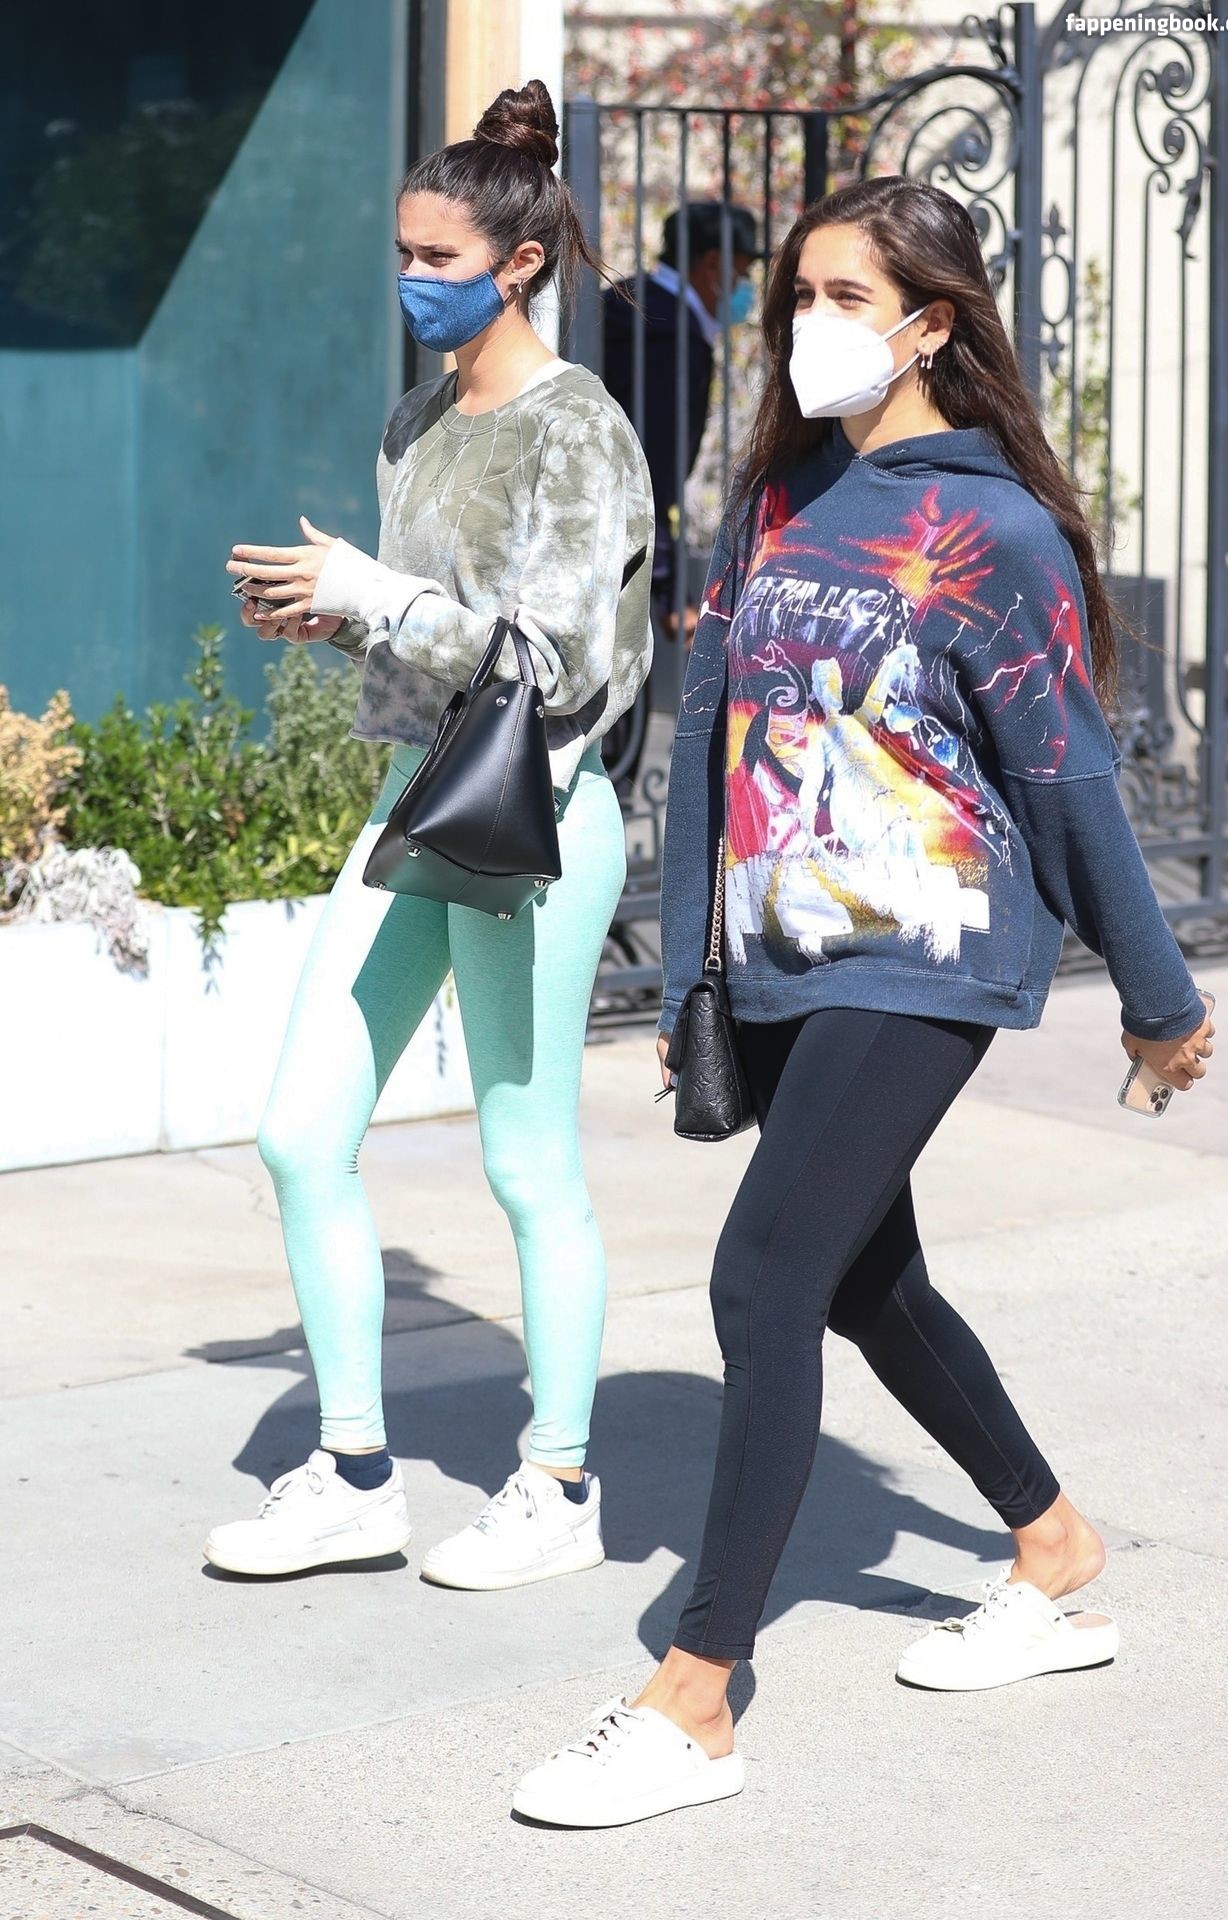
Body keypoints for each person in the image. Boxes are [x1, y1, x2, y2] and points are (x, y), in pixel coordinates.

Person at [512, 175, 1216, 1827]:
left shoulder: (996, 532)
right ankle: (1054, 1550)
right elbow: (713, 723)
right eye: (795, 298)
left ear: (928, 325)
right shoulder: (782, 497)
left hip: (927, 946)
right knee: (863, 1281)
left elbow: (1067, 774)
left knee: (763, 1277)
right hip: (784, 955)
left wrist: (1157, 995)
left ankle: (695, 1701)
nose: (806, 327)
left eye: (844, 297)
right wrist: (696, 955)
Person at [206, 79, 655, 1590]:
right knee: (298, 1134)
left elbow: (560, 666)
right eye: (402, 251)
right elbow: (432, 648)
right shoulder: (416, 419)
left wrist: (377, 595)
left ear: (517, 264)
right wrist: (331, 617)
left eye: (438, 257)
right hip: (418, 797)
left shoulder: (577, 430)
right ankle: (353, 1475)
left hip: (536, 820)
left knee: (526, 1164)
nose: (412, 278)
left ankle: (560, 1481)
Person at [603, 202, 762, 638]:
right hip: (614, 557)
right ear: (713, 264)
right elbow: (650, 471)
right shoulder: (673, 337)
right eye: (742, 273)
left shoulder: (629, 300)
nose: (745, 288)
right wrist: (669, 589)